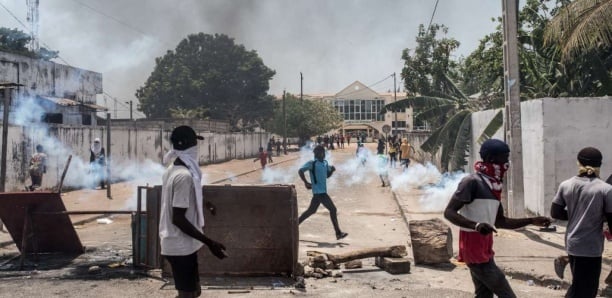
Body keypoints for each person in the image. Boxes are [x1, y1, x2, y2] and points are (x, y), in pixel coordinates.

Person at [444, 139, 551, 298]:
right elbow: (449, 212)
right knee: (506, 294)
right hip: (473, 247)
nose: (507, 162)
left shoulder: (494, 185)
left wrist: (531, 220)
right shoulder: (472, 182)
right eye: (504, 157)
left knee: (484, 294)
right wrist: (476, 225)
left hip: (485, 247)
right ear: (492, 158)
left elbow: (501, 222)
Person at [160, 125, 227, 298]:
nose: (197, 148)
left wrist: (204, 203)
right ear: (189, 145)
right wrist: (210, 242)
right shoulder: (184, 176)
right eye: (195, 144)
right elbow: (178, 218)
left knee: (194, 292)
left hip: (184, 245)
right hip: (179, 246)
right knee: (188, 295)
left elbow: (183, 196)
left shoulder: (173, 170)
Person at [550, 147, 612, 298]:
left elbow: (555, 212)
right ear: (599, 165)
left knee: (579, 284)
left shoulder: (566, 184)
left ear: (579, 162)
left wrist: (576, 215)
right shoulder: (605, 189)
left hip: (572, 242)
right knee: (586, 289)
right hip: (591, 246)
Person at [298, 145, 348, 240]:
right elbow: (300, 171)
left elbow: (326, 176)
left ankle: (294, 224)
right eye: (322, 152)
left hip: (321, 192)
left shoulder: (325, 163)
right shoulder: (312, 163)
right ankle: (338, 233)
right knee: (333, 209)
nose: (323, 154)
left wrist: (332, 171)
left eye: (323, 152)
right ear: (318, 153)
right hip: (319, 193)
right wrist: (306, 182)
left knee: (311, 211)